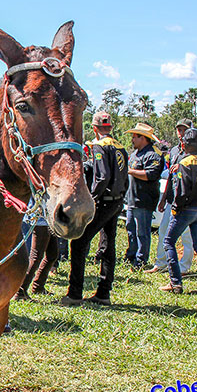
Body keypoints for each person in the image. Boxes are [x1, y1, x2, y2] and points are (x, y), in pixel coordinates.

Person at [62, 111, 128, 306]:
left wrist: (91, 198)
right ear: (111, 128)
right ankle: (103, 292)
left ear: (95, 128)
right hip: (117, 201)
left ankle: (74, 293)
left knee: (80, 243)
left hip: (104, 201)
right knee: (108, 246)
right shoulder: (120, 146)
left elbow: (102, 176)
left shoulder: (99, 146)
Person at [159, 128, 197, 295]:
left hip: (185, 210)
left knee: (169, 242)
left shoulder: (183, 164)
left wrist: (176, 207)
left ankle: (175, 283)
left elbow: (180, 191)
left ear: (183, 145)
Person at [146, 119, 194, 275]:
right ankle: (161, 263)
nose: (181, 134)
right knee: (163, 230)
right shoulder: (174, 151)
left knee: (186, 235)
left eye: (184, 130)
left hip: (188, 201)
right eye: (179, 130)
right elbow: (171, 177)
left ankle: (184, 267)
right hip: (172, 199)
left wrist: (183, 166)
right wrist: (163, 197)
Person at [123, 122, 164, 269]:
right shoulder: (135, 154)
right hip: (132, 199)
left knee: (142, 232)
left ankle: (141, 260)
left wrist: (130, 171)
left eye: (135, 137)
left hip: (144, 200)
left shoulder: (153, 154)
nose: (132, 140)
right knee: (130, 229)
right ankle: (131, 256)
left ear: (143, 138)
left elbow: (151, 175)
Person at [20, 199, 58, 296]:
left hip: (49, 217)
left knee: (52, 254)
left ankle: (38, 286)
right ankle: (20, 291)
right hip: (40, 217)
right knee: (36, 256)